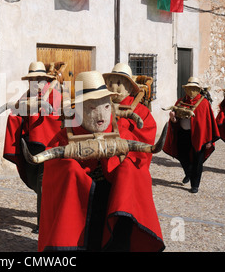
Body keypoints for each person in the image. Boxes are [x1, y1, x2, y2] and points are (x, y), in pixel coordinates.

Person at [25, 71, 165, 252]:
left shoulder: (120, 129)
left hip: (113, 196)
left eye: (106, 107)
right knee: (89, 238)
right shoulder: (65, 135)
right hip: (82, 204)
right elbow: (55, 170)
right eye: (91, 108)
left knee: (115, 236)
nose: (100, 115)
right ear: (79, 108)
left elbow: (138, 162)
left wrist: (124, 166)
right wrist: (73, 170)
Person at [3, 61, 61, 231]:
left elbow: (57, 120)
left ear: (46, 80)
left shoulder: (55, 96)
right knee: (33, 180)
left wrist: (44, 108)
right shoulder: (27, 96)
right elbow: (17, 114)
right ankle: (51, 209)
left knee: (43, 183)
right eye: (32, 80)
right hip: (30, 146)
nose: (35, 84)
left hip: (48, 146)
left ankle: (42, 224)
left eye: (39, 79)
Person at [163, 77, 220, 193]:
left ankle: (195, 185)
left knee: (197, 161)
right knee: (182, 155)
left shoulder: (204, 103)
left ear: (198, 90)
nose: (191, 91)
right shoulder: (180, 102)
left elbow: (209, 123)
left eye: (194, 88)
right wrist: (173, 119)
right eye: (189, 88)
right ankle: (188, 172)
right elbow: (175, 121)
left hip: (200, 136)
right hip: (183, 134)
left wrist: (209, 140)